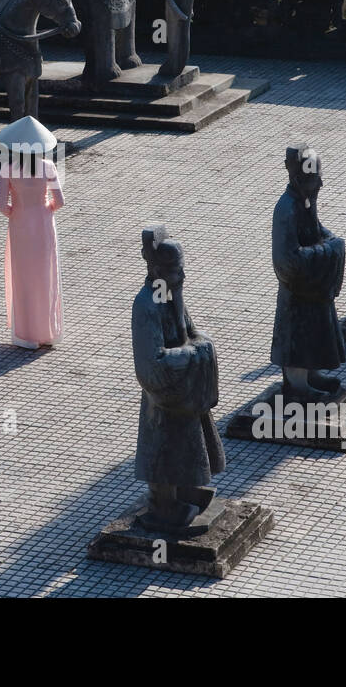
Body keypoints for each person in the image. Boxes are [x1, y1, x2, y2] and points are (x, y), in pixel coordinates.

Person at [131, 224, 226, 534]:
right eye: (173, 271)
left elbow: (192, 332)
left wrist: (202, 346)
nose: (180, 277)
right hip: (163, 396)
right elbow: (150, 364)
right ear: (156, 269)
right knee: (164, 446)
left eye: (181, 270)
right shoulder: (146, 305)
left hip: (183, 389)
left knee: (187, 441)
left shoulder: (173, 297)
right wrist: (190, 356)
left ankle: (185, 488)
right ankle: (163, 501)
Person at [271, 144, 346, 404]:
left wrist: (332, 241)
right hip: (297, 290)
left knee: (314, 333)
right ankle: (297, 385)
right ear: (298, 178)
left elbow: (316, 229)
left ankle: (311, 374)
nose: (320, 184)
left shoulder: (304, 201)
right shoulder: (286, 209)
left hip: (311, 286)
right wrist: (326, 251)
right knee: (297, 339)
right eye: (314, 179)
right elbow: (285, 260)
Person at [0, 116, 64, 349]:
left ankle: (27, 335)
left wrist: (17, 213)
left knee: (23, 277)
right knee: (45, 275)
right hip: (43, 224)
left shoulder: (8, 168)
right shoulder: (48, 167)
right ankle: (47, 331)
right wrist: (45, 210)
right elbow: (60, 201)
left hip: (20, 224)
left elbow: (1, 205)